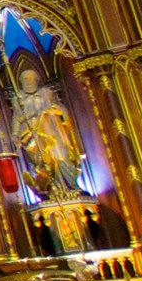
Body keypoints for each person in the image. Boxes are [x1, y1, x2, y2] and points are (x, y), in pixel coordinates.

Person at [11, 64, 87, 199]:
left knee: (61, 156)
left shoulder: (47, 94)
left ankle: (70, 185)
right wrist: (15, 135)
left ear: (36, 81)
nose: (28, 82)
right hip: (33, 135)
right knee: (41, 163)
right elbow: (17, 118)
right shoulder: (18, 99)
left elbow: (62, 110)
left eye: (31, 79)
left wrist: (54, 110)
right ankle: (51, 187)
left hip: (53, 132)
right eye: (25, 80)